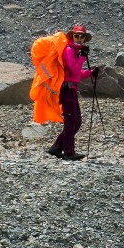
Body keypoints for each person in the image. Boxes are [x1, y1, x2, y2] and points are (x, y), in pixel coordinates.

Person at [50, 24, 92, 160]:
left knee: (76, 121)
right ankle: (68, 152)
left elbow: (76, 73)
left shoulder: (75, 51)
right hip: (66, 89)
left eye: (82, 36)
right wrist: (82, 57)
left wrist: (91, 73)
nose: (80, 38)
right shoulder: (69, 50)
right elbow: (74, 69)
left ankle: (56, 147)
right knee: (71, 121)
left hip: (72, 89)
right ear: (72, 36)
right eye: (77, 35)